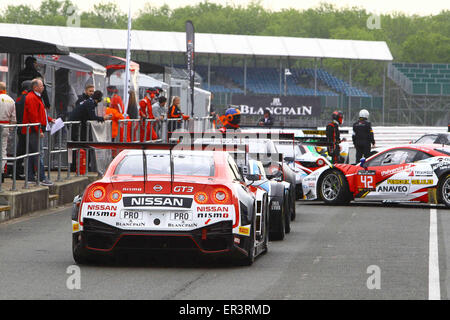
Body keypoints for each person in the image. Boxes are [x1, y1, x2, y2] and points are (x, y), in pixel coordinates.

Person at [69, 90, 112, 172]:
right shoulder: (90, 103)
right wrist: (103, 118)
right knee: (74, 146)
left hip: (76, 125)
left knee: (75, 146)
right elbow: (92, 117)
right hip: (74, 126)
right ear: (98, 98)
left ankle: (76, 166)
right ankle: (73, 166)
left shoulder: (89, 102)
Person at [21, 79, 53, 186]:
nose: (43, 87)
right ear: (35, 87)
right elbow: (33, 115)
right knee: (38, 154)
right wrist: (39, 130)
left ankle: (30, 176)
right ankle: (42, 178)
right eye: (41, 85)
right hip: (34, 130)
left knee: (32, 154)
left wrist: (48, 119)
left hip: (33, 129)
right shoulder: (32, 98)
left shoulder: (35, 97)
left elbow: (39, 112)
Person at [15, 80, 32, 178]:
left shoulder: (19, 98)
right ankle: (18, 172)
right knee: (23, 150)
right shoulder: (26, 99)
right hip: (25, 127)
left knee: (21, 150)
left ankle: (17, 171)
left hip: (20, 127)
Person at [0, 82, 16, 181]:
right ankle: (1, 173)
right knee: (3, 150)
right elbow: (14, 118)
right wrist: (11, 127)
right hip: (5, 126)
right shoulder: (10, 100)